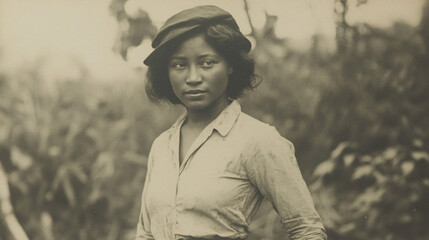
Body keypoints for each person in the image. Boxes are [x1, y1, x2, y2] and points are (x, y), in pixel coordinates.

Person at [136, 5, 327, 240]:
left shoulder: (257, 140)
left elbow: (306, 229)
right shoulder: (162, 146)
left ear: (231, 66)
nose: (193, 78)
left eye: (207, 63)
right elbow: (145, 232)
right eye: (180, 65)